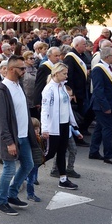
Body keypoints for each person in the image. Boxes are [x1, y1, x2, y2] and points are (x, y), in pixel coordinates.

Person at [0, 56, 36, 215]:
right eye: (22, 69)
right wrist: (9, 142)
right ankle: (1, 201)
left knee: (28, 165)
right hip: (10, 138)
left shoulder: (19, 85)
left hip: (24, 135)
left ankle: (12, 194)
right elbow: (2, 121)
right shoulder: (2, 90)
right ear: (12, 70)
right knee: (9, 169)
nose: (25, 71)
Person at [40, 62, 82, 190]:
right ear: (56, 73)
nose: (66, 76)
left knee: (62, 152)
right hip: (54, 126)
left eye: (66, 73)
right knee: (50, 153)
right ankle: (29, 170)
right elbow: (45, 110)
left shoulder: (62, 86)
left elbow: (67, 107)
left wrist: (74, 125)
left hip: (64, 125)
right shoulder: (49, 89)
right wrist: (45, 128)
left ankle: (63, 179)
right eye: (64, 73)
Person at [88, 47, 112, 165]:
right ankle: (108, 155)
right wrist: (106, 106)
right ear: (107, 57)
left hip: (107, 103)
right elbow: (98, 90)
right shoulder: (98, 69)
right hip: (102, 105)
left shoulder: (108, 67)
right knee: (108, 128)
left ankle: (94, 151)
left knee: (99, 128)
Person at [64, 37, 91, 145]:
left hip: (81, 90)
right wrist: (72, 92)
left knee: (81, 113)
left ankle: (79, 134)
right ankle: (76, 138)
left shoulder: (80, 56)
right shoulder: (70, 57)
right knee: (76, 116)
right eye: (83, 44)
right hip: (75, 92)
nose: (85, 46)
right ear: (76, 45)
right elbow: (69, 76)